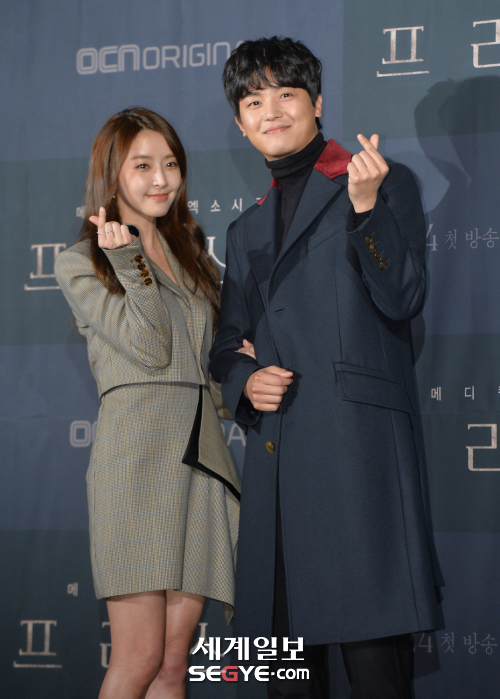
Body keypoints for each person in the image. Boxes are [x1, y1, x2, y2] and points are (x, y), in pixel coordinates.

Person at [209, 37, 444, 699]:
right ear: (239, 122)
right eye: (254, 100)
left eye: (285, 93)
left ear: (316, 102)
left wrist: (367, 209)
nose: (271, 110)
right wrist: (243, 383)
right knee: (284, 679)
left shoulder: (373, 178)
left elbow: (402, 297)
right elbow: (227, 345)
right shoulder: (243, 231)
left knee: (376, 676)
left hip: (356, 464)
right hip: (279, 472)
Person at [55, 107, 243, 699]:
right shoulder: (81, 262)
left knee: (172, 663)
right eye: (143, 166)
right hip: (136, 461)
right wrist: (130, 262)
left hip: (201, 458)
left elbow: (209, 363)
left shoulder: (196, 260)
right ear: (112, 175)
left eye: (170, 165)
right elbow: (150, 346)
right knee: (136, 658)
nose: (161, 179)